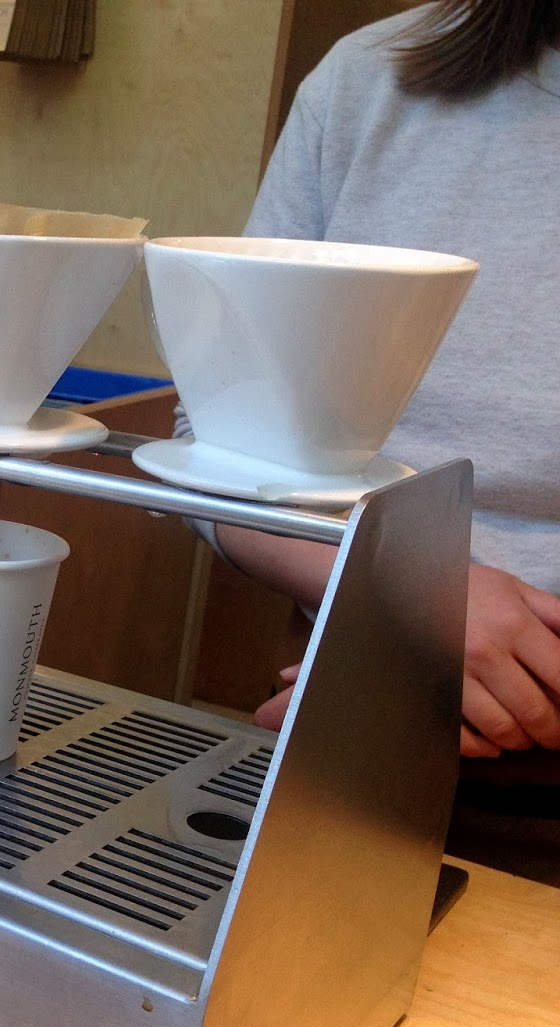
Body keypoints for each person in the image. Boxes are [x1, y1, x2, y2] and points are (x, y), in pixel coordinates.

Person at [181, 0, 560, 803]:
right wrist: (402, 596)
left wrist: (522, 675)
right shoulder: (368, 80)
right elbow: (212, 446)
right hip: (349, 723)